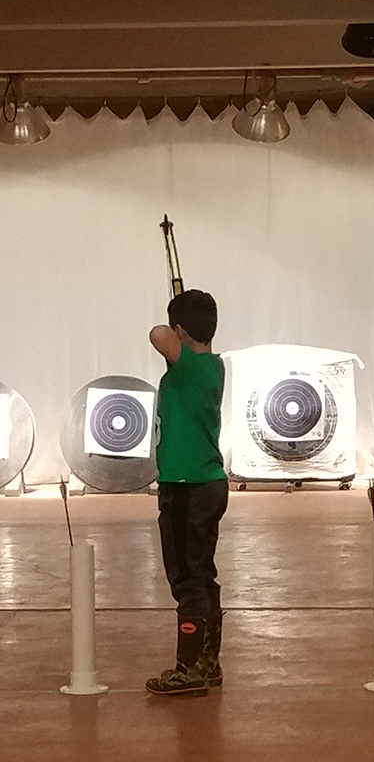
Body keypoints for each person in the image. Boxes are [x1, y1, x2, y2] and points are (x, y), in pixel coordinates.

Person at [146, 289, 229, 696]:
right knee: (203, 573)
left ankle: (189, 667)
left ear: (181, 331)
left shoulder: (191, 367)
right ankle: (208, 661)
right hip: (208, 484)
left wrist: (175, 330)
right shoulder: (213, 366)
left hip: (186, 487)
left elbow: (157, 333)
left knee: (187, 580)